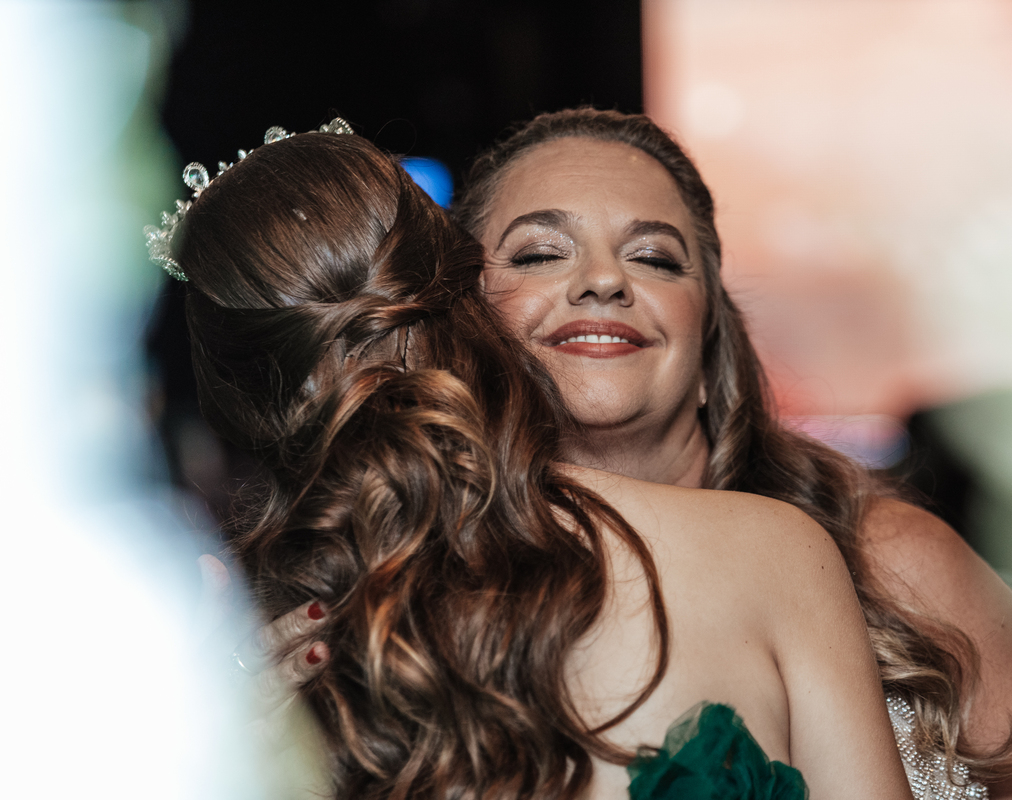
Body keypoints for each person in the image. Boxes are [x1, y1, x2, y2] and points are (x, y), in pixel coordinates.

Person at [156, 123, 914, 799]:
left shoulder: (798, 552)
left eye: (654, 257)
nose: (603, 282)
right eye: (541, 253)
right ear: (467, 303)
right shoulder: (779, 552)